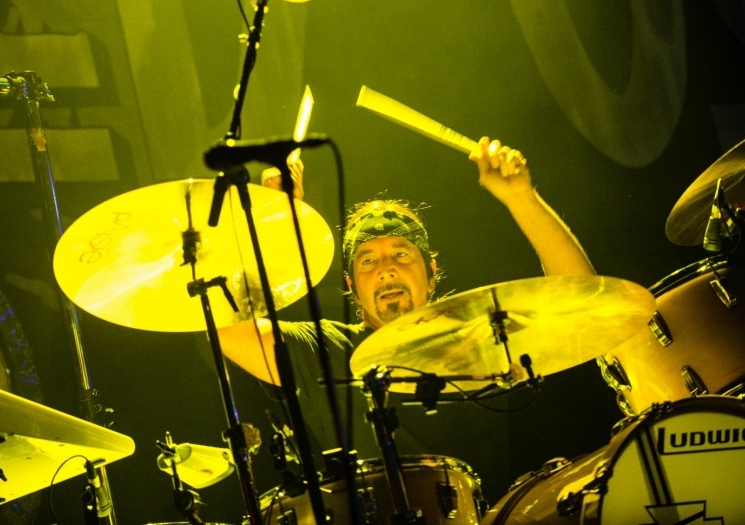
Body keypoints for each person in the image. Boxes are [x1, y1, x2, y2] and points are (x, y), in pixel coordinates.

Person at [216, 136, 595, 475]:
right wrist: (270, 224)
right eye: (367, 261)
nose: (385, 269)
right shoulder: (326, 348)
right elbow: (230, 331)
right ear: (352, 287)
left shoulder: (478, 330)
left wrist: (521, 198)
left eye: (401, 254)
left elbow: (582, 301)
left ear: (431, 273)